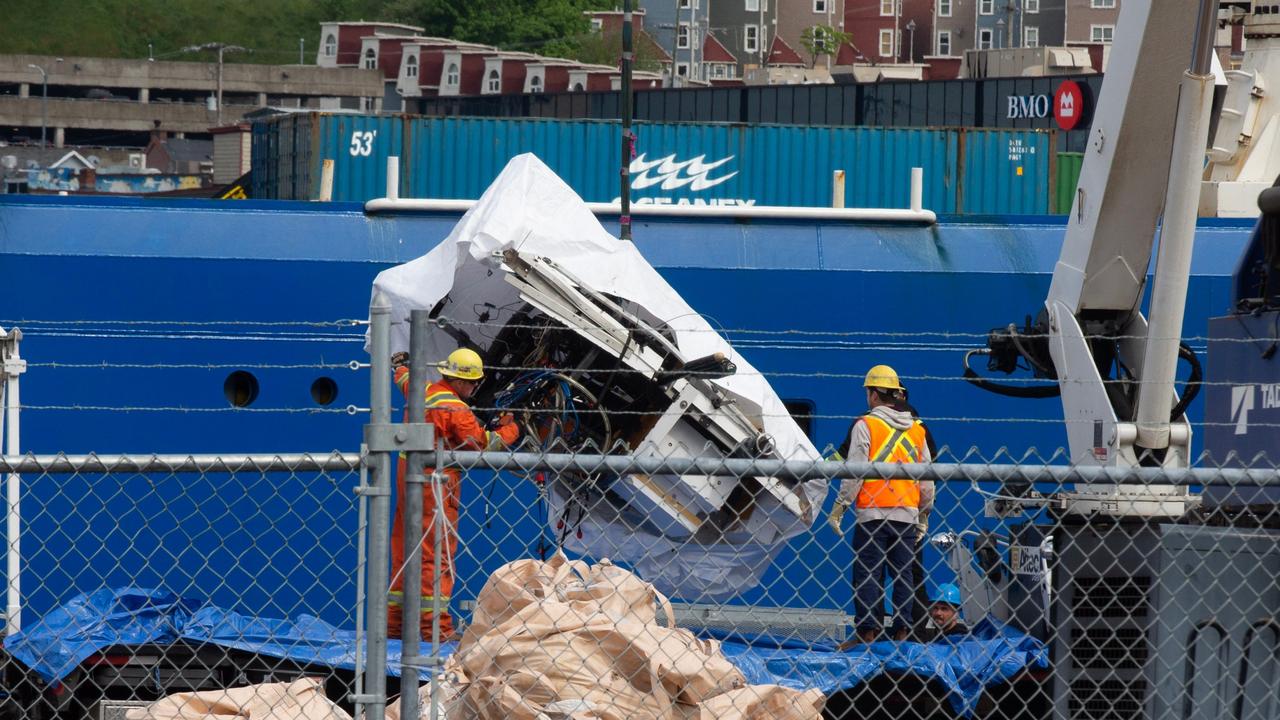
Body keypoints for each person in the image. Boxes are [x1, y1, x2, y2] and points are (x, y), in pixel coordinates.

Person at [388, 347, 519, 641]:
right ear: (459, 381)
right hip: (435, 485)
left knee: (403, 553)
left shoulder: (422, 388)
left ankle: (394, 628)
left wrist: (399, 365)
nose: (475, 388)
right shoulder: (455, 409)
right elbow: (484, 445)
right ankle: (436, 630)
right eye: (472, 382)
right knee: (437, 557)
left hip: (406, 477)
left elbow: (403, 377)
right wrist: (512, 429)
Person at [828, 364, 934, 644]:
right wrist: (924, 514)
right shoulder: (917, 430)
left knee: (867, 574)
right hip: (907, 515)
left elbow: (855, 471)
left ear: (874, 395)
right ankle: (902, 632)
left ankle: (868, 633)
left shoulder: (866, 425)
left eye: (868, 392)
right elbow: (927, 478)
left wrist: (840, 506)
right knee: (904, 575)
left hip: (872, 515)